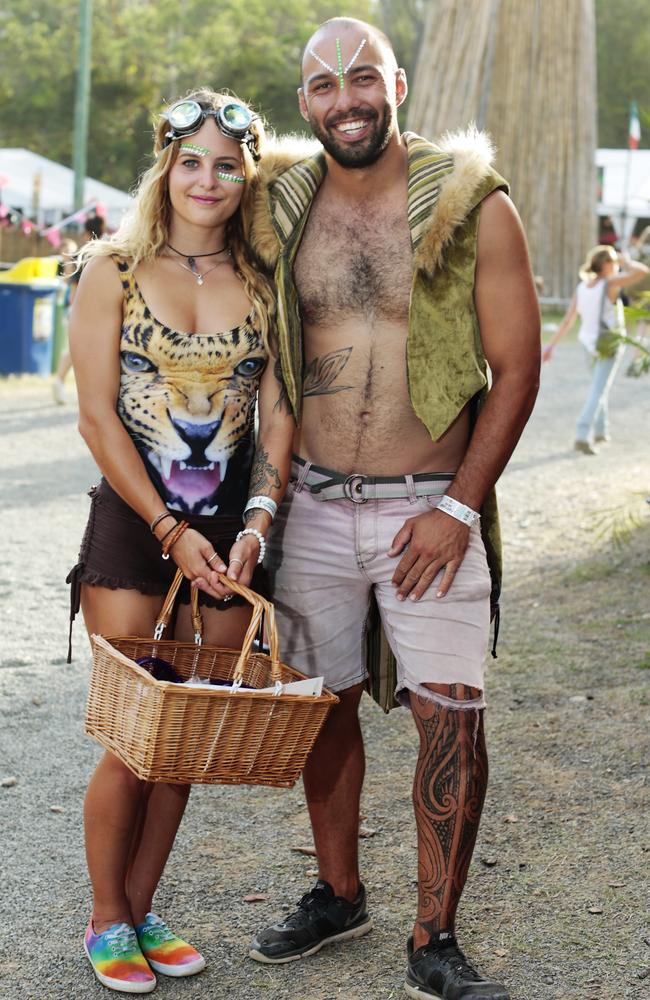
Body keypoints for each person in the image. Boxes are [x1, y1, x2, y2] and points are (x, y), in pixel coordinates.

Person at [244, 17, 540, 1000]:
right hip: (313, 508)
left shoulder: (468, 207)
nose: (345, 99)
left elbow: (514, 369)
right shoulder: (278, 207)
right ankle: (338, 891)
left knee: (449, 718)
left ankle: (433, 937)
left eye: (361, 77)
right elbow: (179, 236)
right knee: (318, 707)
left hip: (430, 511)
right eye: (323, 85)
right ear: (304, 104)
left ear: (397, 83)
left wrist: (457, 508)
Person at [68, 88, 293, 993]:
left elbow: (277, 410)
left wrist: (258, 519)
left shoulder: (266, 282)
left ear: (247, 175)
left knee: (188, 733)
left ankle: (147, 904)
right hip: (134, 525)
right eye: (191, 160)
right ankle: (106, 916)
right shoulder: (110, 269)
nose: (209, 179)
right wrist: (167, 527)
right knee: (136, 731)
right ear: (165, 165)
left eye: (228, 165)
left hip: (230, 535)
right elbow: (95, 416)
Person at [542, 245, 648, 453]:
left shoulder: (582, 287)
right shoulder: (610, 282)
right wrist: (626, 262)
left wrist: (551, 346)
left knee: (599, 387)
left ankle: (601, 430)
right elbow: (643, 272)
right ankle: (582, 433)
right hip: (608, 343)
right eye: (615, 263)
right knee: (599, 389)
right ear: (607, 265)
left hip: (587, 343)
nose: (617, 267)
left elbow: (568, 321)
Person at [53, 216, 107, 404]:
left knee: (77, 349)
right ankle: (62, 382)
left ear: (85, 232)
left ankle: (60, 381)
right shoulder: (108, 252)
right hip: (101, 311)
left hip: (81, 309)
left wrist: (73, 309)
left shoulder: (84, 254)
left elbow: (74, 286)